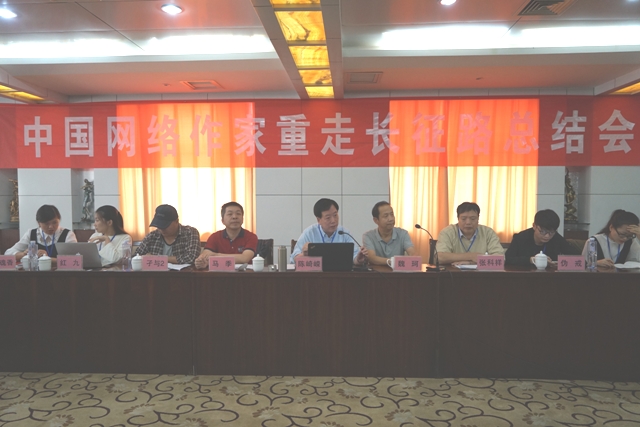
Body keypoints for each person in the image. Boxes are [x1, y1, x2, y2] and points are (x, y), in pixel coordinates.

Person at [291, 198, 366, 264]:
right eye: (328, 218)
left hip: (339, 273)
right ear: (319, 220)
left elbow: (354, 257)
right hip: (315, 274)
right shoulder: (310, 233)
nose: (333, 221)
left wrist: (359, 259)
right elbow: (294, 258)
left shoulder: (345, 233)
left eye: (335, 215)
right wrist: (304, 255)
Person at [436, 202, 504, 265]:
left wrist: (470, 262)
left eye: (473, 219)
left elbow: (500, 259)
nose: (468, 222)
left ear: (478, 219)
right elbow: (440, 257)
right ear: (458, 219)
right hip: (453, 273)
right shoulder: (447, 232)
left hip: (481, 273)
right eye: (463, 219)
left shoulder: (488, 233)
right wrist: (471, 256)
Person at [194, 202, 258, 269]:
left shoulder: (251, 237)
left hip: (245, 273)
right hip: (220, 274)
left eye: (238, 214)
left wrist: (215, 256)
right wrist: (201, 261)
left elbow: (245, 258)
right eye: (230, 214)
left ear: (243, 219)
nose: (234, 217)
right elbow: (206, 255)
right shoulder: (215, 237)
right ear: (223, 220)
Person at [505, 209, 580, 266]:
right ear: (534, 226)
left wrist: (557, 263)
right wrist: (530, 260)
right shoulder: (521, 238)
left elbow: (578, 258)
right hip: (525, 276)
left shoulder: (556, 238)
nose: (547, 236)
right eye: (543, 231)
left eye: (551, 232)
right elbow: (508, 259)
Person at [5, 204, 77, 262]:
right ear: (39, 223)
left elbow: (75, 259)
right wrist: (24, 254)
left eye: (54, 222)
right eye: (46, 224)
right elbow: (8, 253)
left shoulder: (68, 235)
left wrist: (47, 259)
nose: (51, 227)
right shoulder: (31, 233)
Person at [135, 204, 200, 265]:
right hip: (155, 273)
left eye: (165, 226)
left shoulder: (190, 233)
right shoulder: (152, 236)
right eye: (158, 226)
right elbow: (136, 256)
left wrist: (156, 258)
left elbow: (191, 258)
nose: (161, 229)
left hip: (183, 273)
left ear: (176, 221)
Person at [362, 201, 417, 265]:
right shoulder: (368, 236)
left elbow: (413, 254)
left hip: (398, 271)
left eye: (392, 214)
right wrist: (392, 262)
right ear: (376, 220)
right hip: (377, 271)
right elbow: (372, 258)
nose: (390, 219)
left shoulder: (403, 234)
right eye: (386, 216)